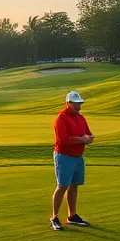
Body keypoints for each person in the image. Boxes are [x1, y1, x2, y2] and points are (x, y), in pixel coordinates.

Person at [50, 91, 93, 230]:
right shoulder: (61, 118)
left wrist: (89, 138)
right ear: (68, 103)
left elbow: (88, 134)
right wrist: (82, 139)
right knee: (62, 186)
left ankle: (72, 215)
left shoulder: (81, 118)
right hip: (64, 156)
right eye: (76, 104)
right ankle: (54, 217)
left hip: (78, 157)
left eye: (80, 103)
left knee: (74, 185)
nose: (79, 106)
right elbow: (64, 141)